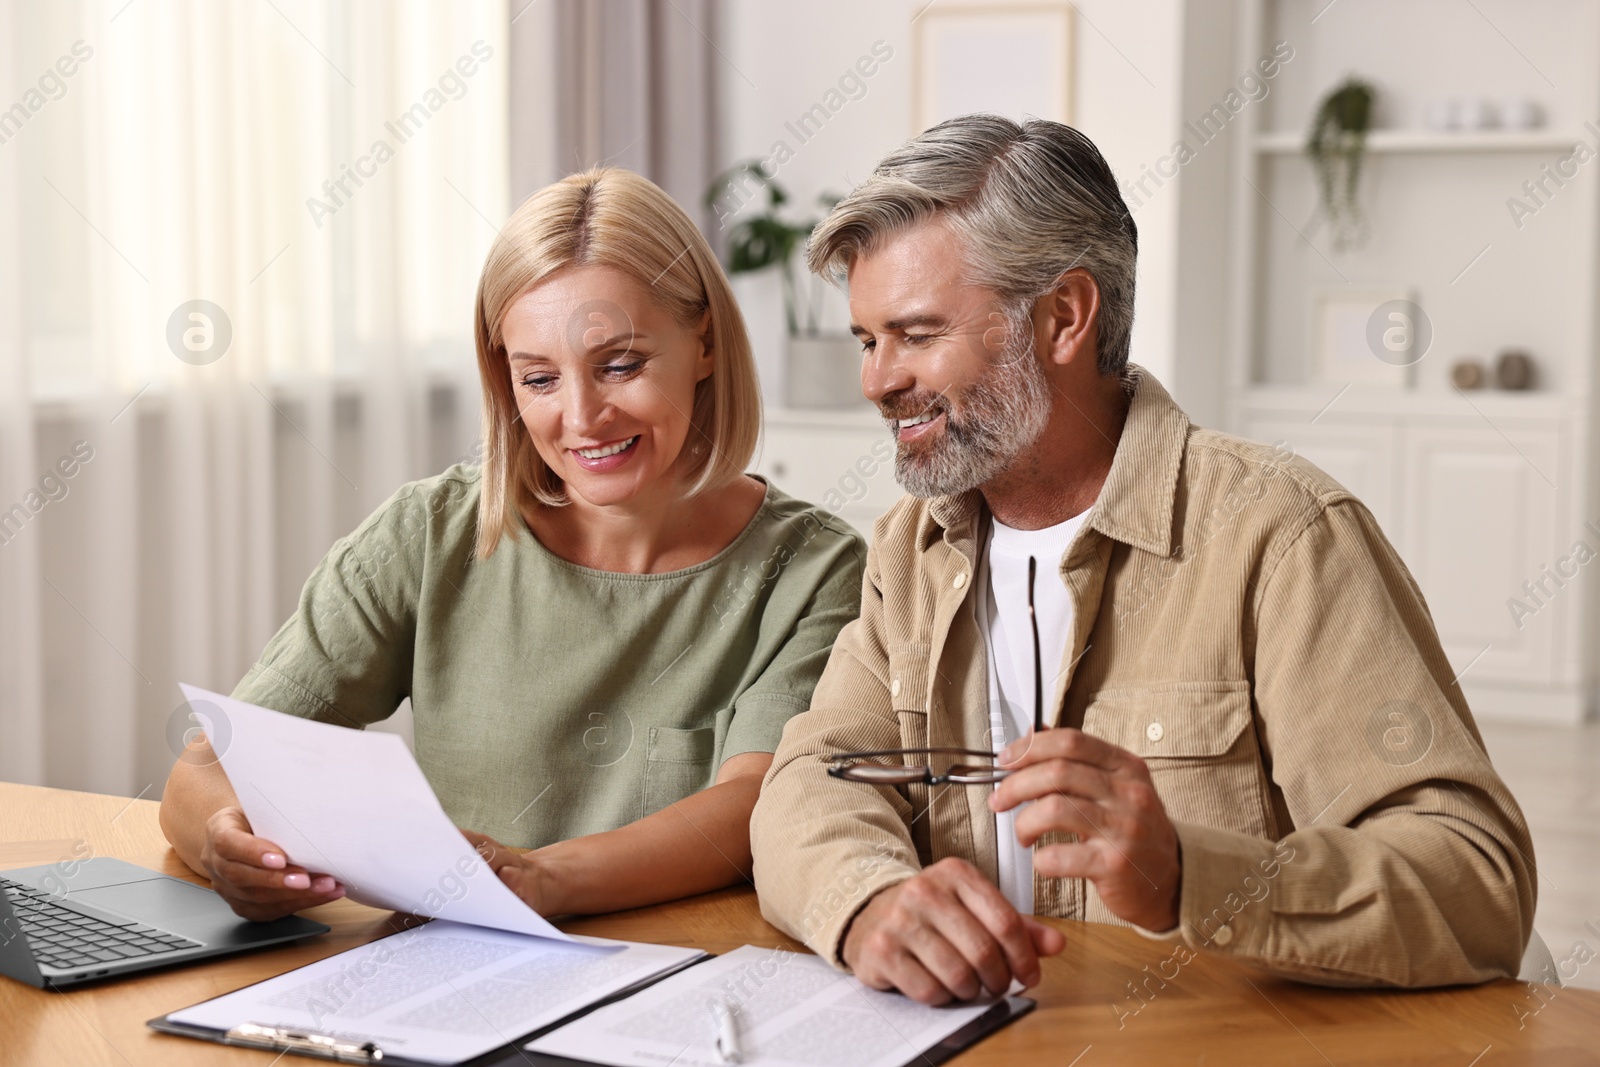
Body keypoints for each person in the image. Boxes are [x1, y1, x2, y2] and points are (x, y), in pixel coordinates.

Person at [750, 115, 1536, 1003]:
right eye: (867, 339)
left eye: (918, 334)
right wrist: (869, 900)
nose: (877, 381)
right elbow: (810, 781)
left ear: (1064, 317)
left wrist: (1191, 875)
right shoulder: (911, 545)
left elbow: (1477, 883)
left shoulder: (1280, 534)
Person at [160, 167, 864, 923]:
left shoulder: (816, 570)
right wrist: (229, 839)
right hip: (457, 978)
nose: (582, 416)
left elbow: (749, 806)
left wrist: (537, 879)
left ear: (704, 344)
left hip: (689, 984)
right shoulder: (428, 537)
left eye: (620, 364)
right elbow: (206, 768)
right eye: (539, 379)